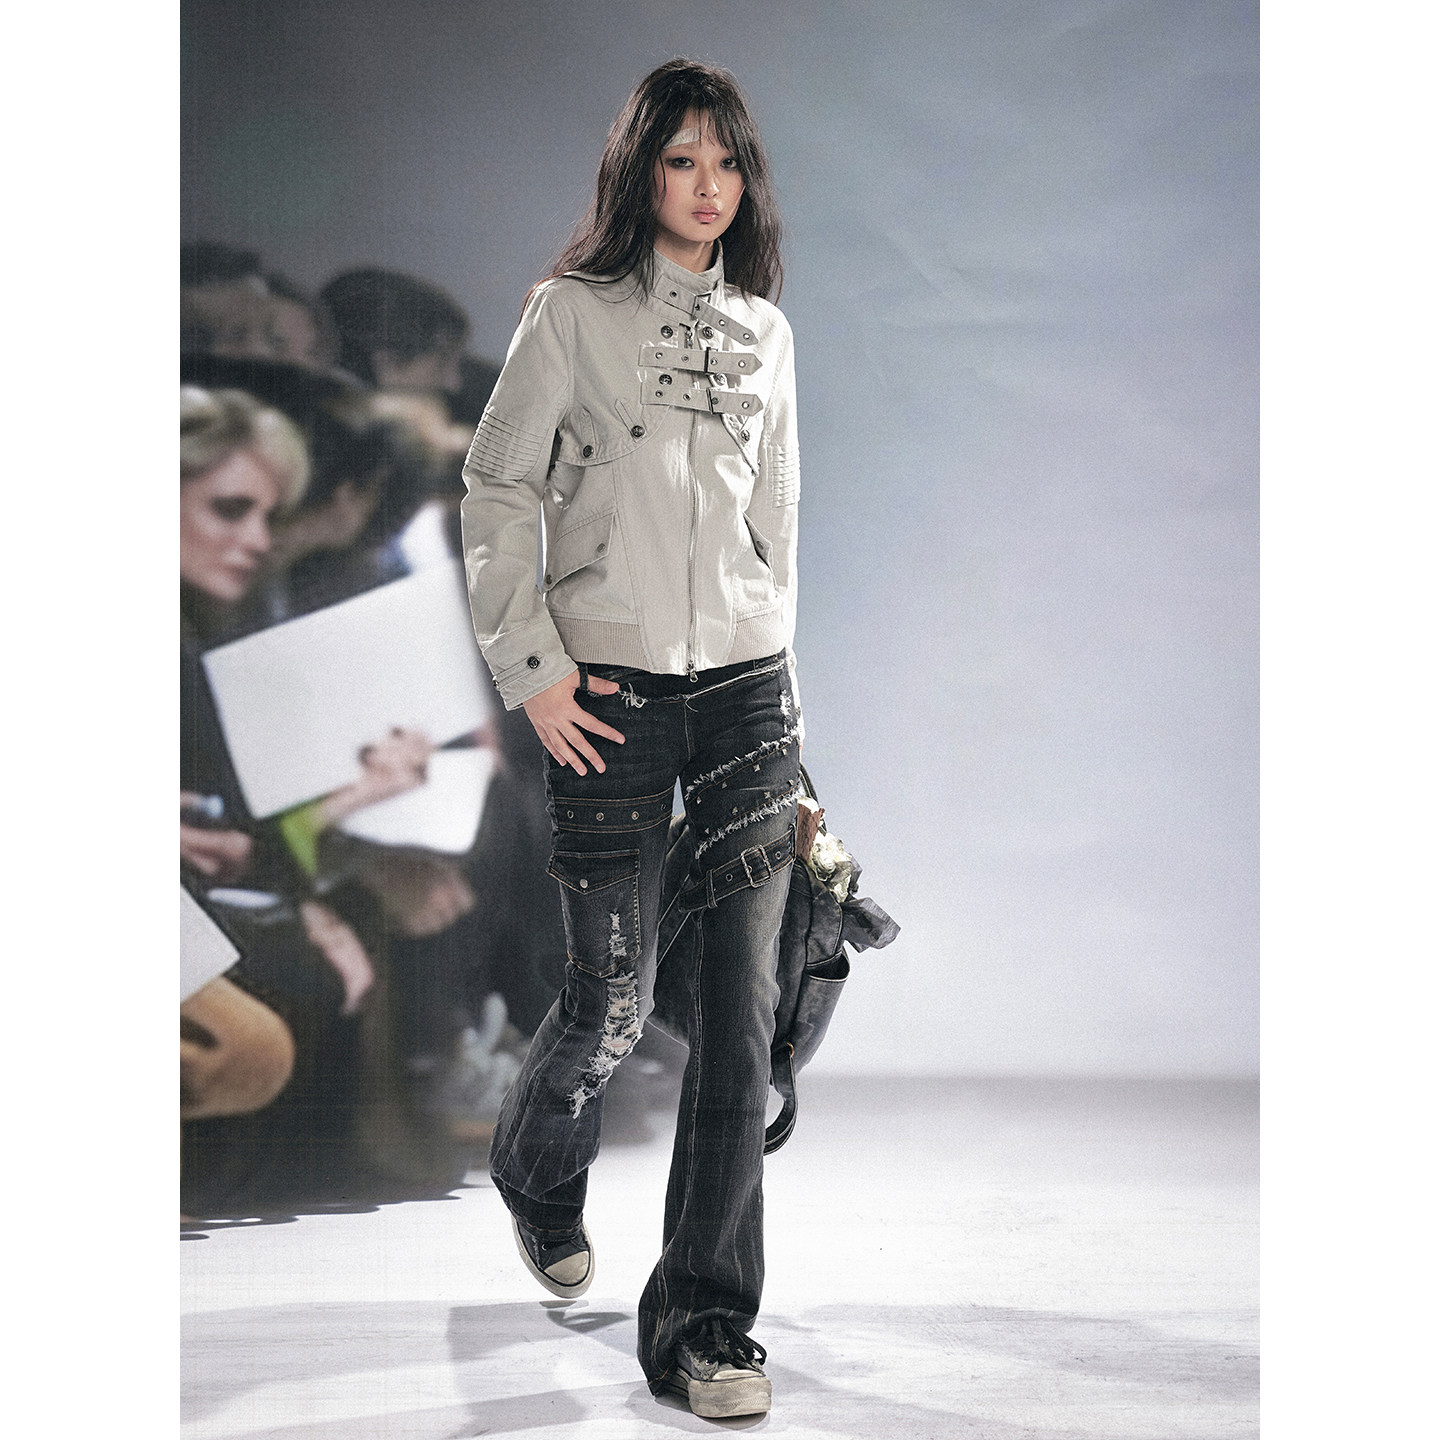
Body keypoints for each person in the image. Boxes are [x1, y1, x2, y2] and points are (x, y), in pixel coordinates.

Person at [460, 59, 803, 1418]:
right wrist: (534, 672)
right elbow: (497, 490)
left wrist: (790, 718)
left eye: (728, 162)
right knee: (611, 998)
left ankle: (705, 1326)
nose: (709, 187)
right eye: (682, 160)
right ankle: (536, 1172)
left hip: (745, 693)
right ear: (640, 171)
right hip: (605, 695)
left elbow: (779, 531)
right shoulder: (571, 316)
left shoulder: (766, 334)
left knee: (738, 1016)